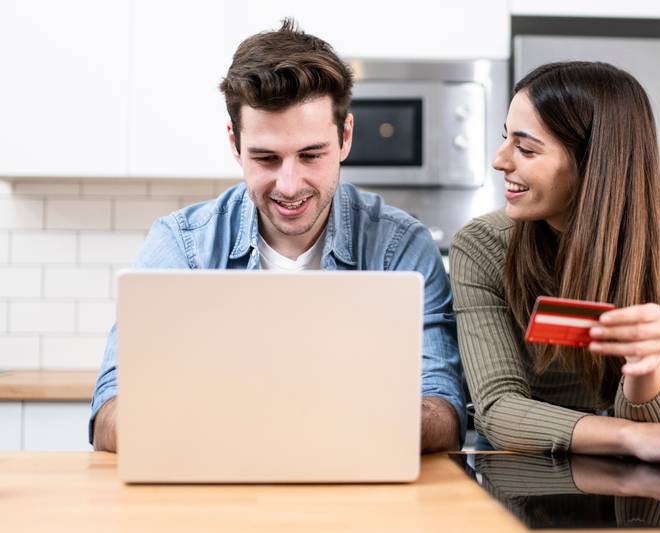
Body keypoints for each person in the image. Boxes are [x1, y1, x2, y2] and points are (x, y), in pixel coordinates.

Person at [90, 19, 465, 453]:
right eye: (266, 158)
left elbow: (445, 413)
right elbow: (108, 416)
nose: (289, 184)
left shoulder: (400, 247)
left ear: (344, 137)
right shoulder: (182, 244)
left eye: (311, 155)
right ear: (235, 144)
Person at [450, 61, 660, 467]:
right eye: (506, 139)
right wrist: (629, 435)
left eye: (525, 148)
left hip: (637, 471)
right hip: (523, 463)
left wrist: (644, 369)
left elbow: (658, 424)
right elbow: (498, 410)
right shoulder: (482, 246)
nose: (499, 160)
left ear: (594, 163)